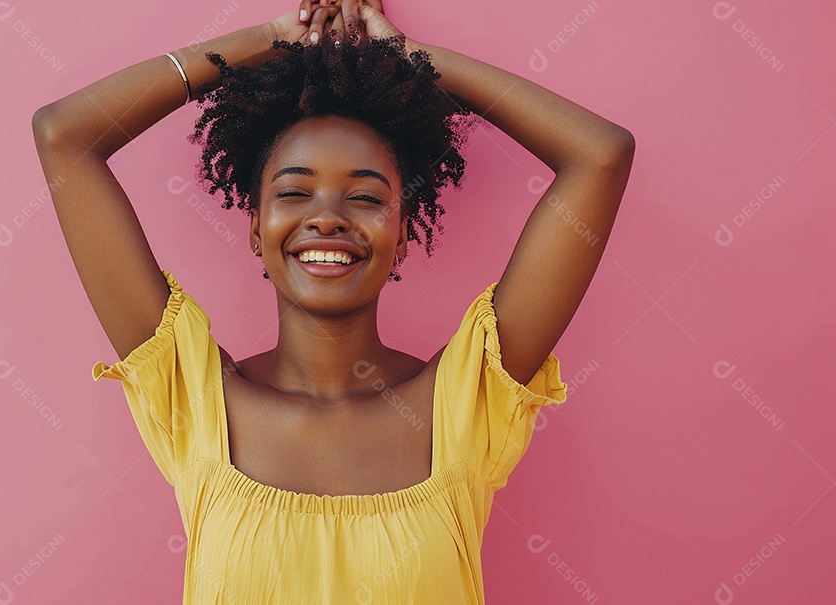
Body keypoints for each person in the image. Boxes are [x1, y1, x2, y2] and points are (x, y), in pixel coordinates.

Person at [31, 1, 633, 602]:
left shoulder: (467, 404)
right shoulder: (191, 397)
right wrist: (269, 39)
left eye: (366, 198)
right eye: (293, 192)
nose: (327, 217)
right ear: (254, 225)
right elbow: (66, 137)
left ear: (401, 234)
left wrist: (410, 63)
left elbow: (599, 155)